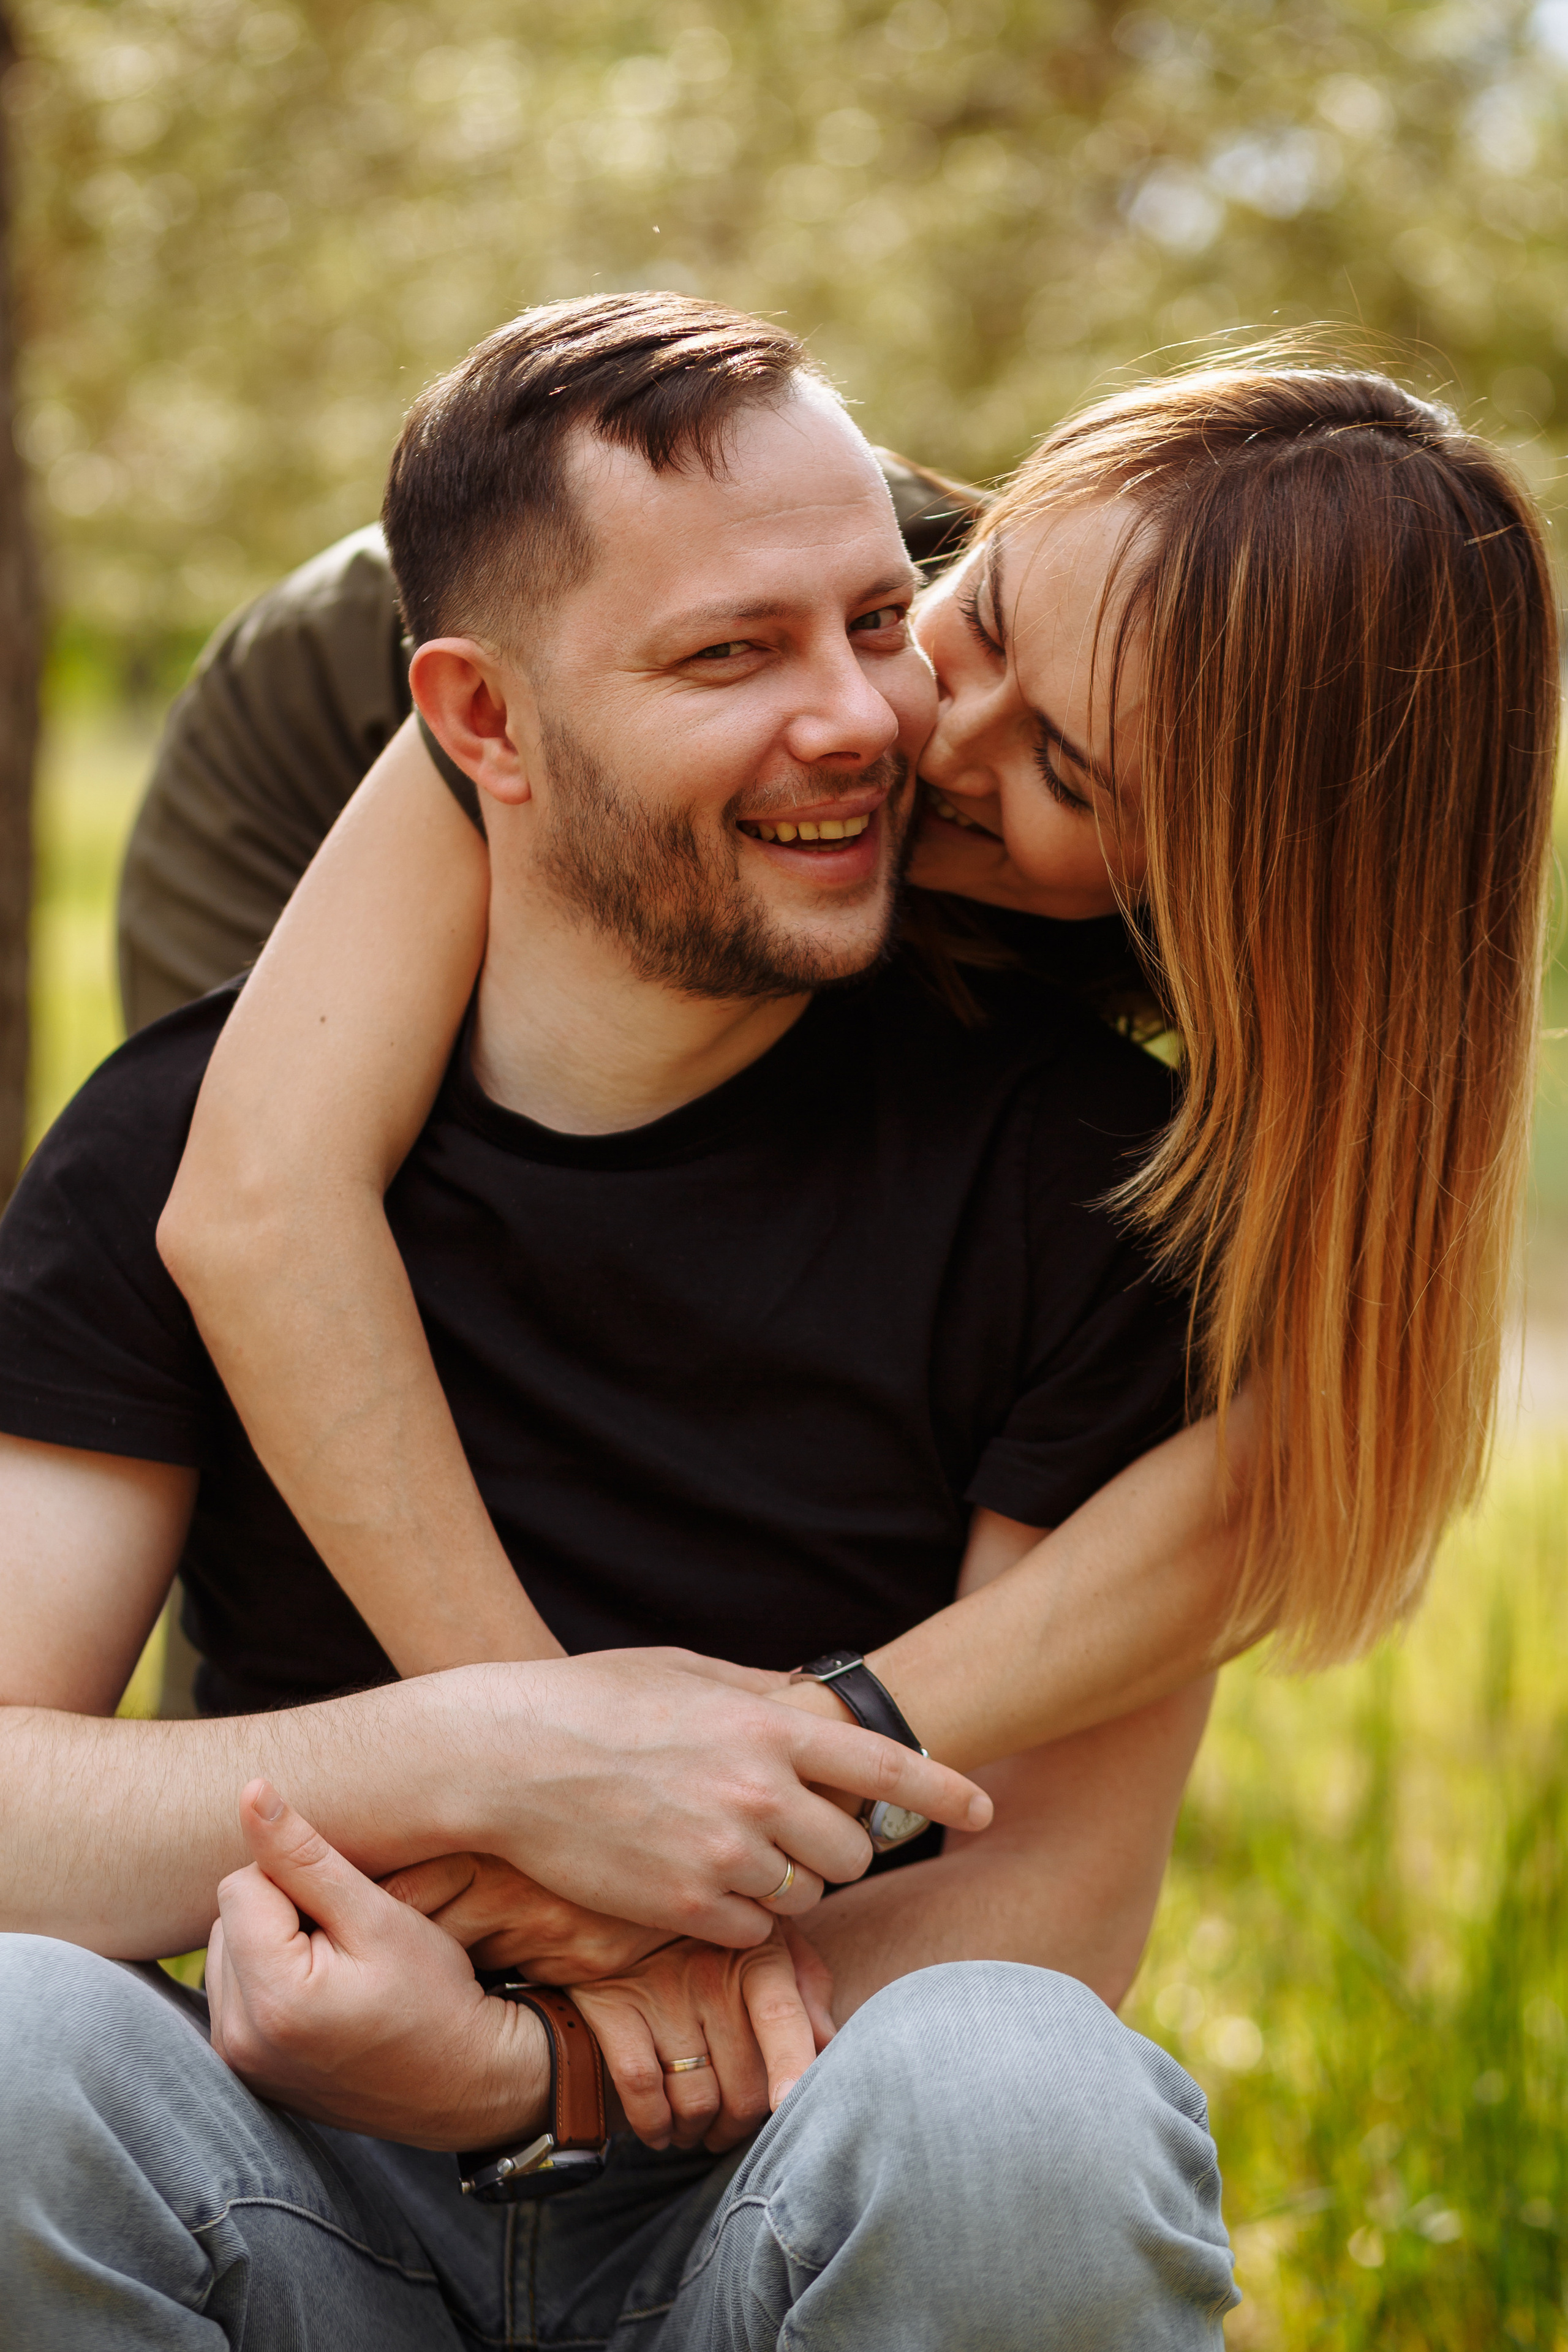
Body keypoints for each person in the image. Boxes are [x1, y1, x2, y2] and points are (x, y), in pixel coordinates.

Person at [0, 296, 1239, 2348]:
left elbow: (1051, 1912)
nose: (861, 721)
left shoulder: (1089, 1179)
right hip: (286, 2170)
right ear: (480, 725)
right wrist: (480, 1761)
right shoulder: (182, 1141)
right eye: (730, 655)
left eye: (874, 620)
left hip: (779, 2163)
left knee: (1024, 2102)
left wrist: (547, 2065)